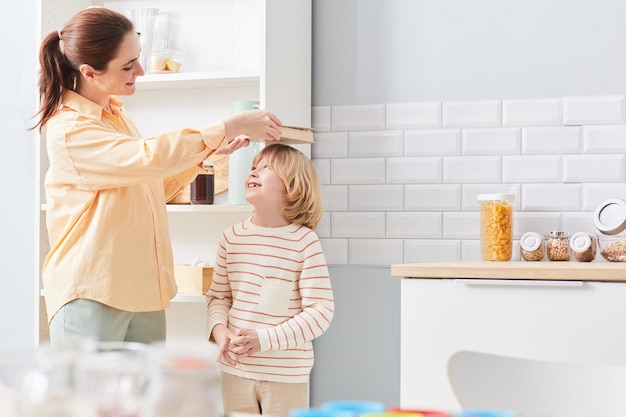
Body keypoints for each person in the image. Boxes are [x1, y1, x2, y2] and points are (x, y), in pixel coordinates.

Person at [31, 6, 283, 347]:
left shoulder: (115, 117)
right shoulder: (69, 129)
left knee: (145, 401)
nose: (141, 71)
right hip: (92, 291)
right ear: (90, 73)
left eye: (137, 57)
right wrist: (228, 126)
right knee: (92, 400)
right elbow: (147, 158)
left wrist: (205, 155)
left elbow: (148, 182)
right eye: (127, 65)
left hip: (143, 292)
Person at [206, 143, 335, 416]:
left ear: (292, 188)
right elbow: (219, 298)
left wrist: (265, 339)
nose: (254, 172)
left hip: (284, 375)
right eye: (254, 167)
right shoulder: (232, 238)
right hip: (234, 370)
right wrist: (219, 332)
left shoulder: (304, 242)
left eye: (266, 169)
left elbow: (321, 311)